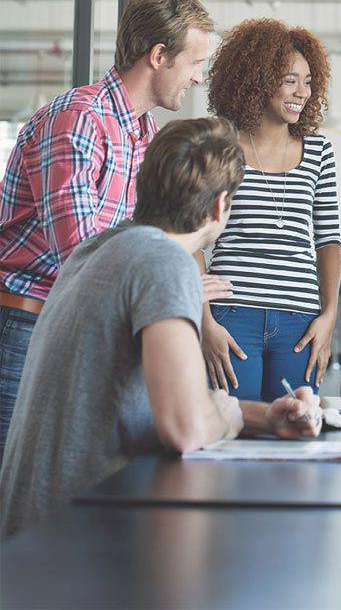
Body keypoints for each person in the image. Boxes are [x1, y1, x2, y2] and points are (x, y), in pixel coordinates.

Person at [0, 117, 322, 539]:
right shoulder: (164, 263)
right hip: (73, 547)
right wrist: (227, 421)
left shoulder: (101, 248)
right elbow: (186, 428)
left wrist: (263, 416)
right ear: (221, 205)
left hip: (31, 540)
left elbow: (157, 402)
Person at [0, 0, 230, 463]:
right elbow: (82, 255)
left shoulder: (142, 134)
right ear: (159, 55)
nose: (198, 76)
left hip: (74, 321)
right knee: (15, 476)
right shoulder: (79, 119)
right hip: (23, 321)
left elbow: (140, 244)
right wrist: (171, 282)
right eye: (193, 62)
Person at [201, 18, 341, 401]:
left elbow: (328, 240)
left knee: (297, 431)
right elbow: (193, 238)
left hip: (300, 323)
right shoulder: (219, 144)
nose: (302, 92)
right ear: (257, 81)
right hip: (231, 316)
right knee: (229, 429)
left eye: (308, 81)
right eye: (289, 79)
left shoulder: (319, 151)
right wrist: (204, 320)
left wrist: (329, 316)